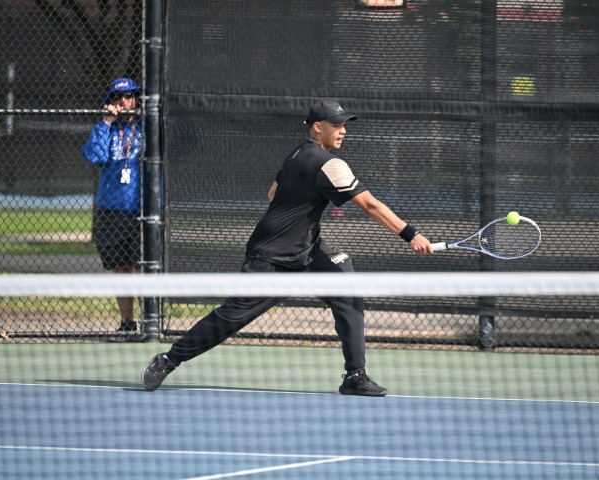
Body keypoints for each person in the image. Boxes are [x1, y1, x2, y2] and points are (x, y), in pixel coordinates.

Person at [142, 99, 433, 396]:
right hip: (273, 255)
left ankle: (355, 376)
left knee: (348, 290)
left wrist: (298, 222)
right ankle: (168, 359)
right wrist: (411, 235)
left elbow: (273, 194)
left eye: (344, 125)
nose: (343, 130)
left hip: (309, 248)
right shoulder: (330, 164)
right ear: (318, 127)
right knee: (232, 317)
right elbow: (369, 204)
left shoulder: (296, 154)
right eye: (336, 125)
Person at [82, 78, 143, 332]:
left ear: (136, 98)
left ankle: (150, 323)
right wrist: (106, 122)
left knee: (143, 269)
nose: (123, 101)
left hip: (143, 211)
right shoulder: (107, 129)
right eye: (118, 97)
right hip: (112, 211)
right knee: (121, 268)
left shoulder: (147, 126)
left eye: (128, 96)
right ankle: (127, 322)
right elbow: (93, 155)